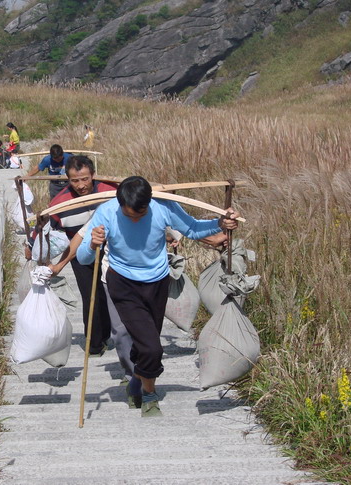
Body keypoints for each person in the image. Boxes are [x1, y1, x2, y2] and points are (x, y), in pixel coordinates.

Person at [76, 176, 239, 417]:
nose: (135, 218)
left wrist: (220, 223)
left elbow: (193, 229)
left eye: (140, 214)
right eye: (129, 214)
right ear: (119, 204)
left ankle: (135, 382)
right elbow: (83, 258)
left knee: (145, 342)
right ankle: (149, 394)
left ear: (149, 203)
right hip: (122, 283)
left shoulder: (163, 207)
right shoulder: (107, 212)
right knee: (152, 348)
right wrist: (92, 244)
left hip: (157, 282)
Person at [46, 155, 117, 356]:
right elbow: (48, 234)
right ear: (67, 180)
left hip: (111, 251)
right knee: (91, 296)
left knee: (110, 294)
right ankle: (94, 344)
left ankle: (108, 334)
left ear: (93, 175)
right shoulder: (59, 204)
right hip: (79, 254)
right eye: (75, 180)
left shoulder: (110, 192)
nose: (81, 185)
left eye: (85, 179)